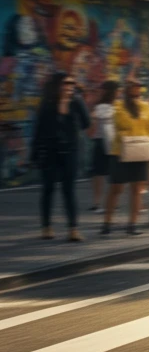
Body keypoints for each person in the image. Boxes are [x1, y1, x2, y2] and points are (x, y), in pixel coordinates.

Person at [31, 72, 88, 241]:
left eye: (71, 83)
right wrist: (34, 153)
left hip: (70, 151)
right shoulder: (48, 103)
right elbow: (39, 129)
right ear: (58, 85)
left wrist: (75, 106)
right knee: (48, 189)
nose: (69, 86)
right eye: (66, 83)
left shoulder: (76, 102)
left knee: (68, 190)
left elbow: (86, 123)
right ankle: (46, 227)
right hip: (50, 151)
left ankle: (73, 229)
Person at [104, 80, 149, 236]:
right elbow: (121, 123)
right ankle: (107, 223)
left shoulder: (145, 107)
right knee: (116, 188)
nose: (136, 91)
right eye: (133, 89)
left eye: (138, 89)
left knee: (137, 189)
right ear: (127, 91)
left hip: (140, 152)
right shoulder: (118, 106)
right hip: (121, 152)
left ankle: (132, 224)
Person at [88, 81, 120, 212]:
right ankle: (98, 202)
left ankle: (106, 202)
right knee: (99, 173)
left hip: (109, 141)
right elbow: (93, 119)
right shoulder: (104, 106)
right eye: (117, 91)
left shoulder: (116, 105)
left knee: (107, 173)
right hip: (102, 141)